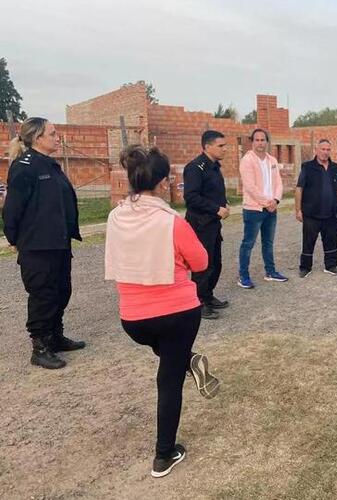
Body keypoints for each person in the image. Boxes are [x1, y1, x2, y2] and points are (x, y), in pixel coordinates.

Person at [105, 145, 220, 478]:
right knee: (168, 382)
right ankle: (164, 454)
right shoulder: (171, 221)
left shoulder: (115, 216)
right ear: (163, 182)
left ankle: (185, 359)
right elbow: (202, 262)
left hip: (133, 318)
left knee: (168, 356)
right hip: (176, 313)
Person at [2, 117, 85, 370]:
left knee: (62, 290)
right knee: (43, 295)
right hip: (37, 245)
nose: (57, 137)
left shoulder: (50, 165)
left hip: (57, 242)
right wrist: (14, 238)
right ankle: (40, 347)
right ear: (38, 138)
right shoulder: (24, 166)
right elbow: (13, 209)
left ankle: (55, 336)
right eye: (53, 133)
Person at [183, 130, 230, 320]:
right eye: (221, 146)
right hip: (201, 224)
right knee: (203, 265)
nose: (224, 149)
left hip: (213, 224)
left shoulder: (214, 166)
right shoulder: (196, 168)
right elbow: (191, 197)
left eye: (224, 145)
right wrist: (215, 208)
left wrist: (223, 203)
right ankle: (198, 302)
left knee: (216, 263)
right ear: (207, 146)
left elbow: (214, 191)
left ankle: (208, 296)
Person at [237, 128, 287, 288]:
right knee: (248, 243)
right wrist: (267, 202)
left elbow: (278, 182)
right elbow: (250, 187)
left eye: (263, 140)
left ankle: (270, 272)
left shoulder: (272, 160)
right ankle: (243, 276)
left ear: (267, 142)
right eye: (257, 140)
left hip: (272, 208)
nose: (260, 143)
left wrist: (276, 200)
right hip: (254, 209)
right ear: (252, 142)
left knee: (268, 242)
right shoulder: (247, 160)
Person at [295, 139, 337, 277]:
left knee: (331, 240)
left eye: (328, 149)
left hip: (331, 214)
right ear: (316, 150)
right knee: (308, 241)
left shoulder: (335, 168)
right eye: (323, 149)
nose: (325, 152)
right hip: (311, 213)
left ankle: (331, 265)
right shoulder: (307, 167)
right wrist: (298, 210)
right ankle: (305, 267)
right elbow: (299, 189)